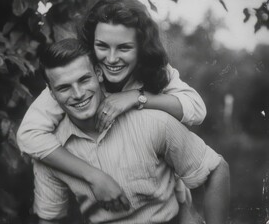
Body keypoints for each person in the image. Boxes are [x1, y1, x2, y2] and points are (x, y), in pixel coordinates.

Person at [17, 0, 207, 209]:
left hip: (165, 192)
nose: (112, 58)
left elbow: (196, 109)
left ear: (141, 47)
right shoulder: (77, 80)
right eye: (102, 46)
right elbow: (28, 136)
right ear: (91, 44)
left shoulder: (155, 72)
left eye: (124, 48)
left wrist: (137, 97)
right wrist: (94, 176)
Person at [34, 38, 230, 224]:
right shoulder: (50, 152)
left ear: (99, 73)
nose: (78, 94)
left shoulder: (153, 122)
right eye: (64, 88)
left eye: (84, 80)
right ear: (51, 93)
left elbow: (217, 169)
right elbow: (50, 219)